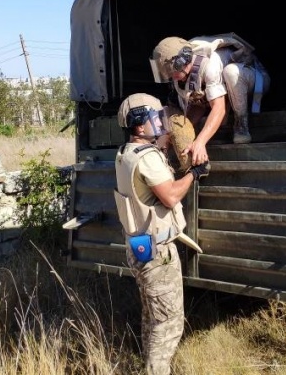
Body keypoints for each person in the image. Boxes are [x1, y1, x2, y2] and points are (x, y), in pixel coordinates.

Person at [113, 93, 208, 375]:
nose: (161, 124)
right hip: (158, 253)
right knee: (169, 322)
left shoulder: (126, 153)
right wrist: (195, 172)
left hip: (141, 248)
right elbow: (170, 196)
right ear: (139, 127)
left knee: (152, 317)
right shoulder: (148, 158)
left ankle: (150, 367)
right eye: (155, 119)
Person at [150, 33, 269, 166]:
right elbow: (198, 104)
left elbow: (219, 108)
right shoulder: (183, 73)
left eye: (171, 73)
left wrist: (200, 142)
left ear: (182, 62)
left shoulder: (209, 65)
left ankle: (241, 123)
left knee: (230, 72)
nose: (171, 77)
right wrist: (178, 134)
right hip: (230, 92)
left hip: (256, 80)